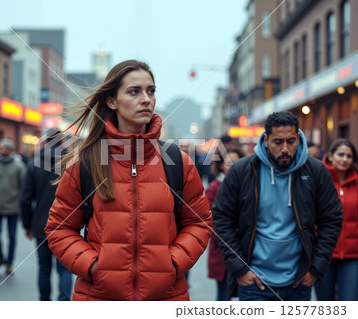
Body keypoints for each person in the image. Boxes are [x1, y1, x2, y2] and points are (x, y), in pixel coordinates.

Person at [45, 60, 212, 301]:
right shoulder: (86, 163)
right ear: (112, 101)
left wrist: (172, 264)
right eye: (134, 91)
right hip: (99, 299)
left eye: (151, 91)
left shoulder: (176, 161)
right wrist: (94, 266)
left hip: (165, 298)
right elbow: (59, 228)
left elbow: (200, 222)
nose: (146, 99)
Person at [212, 112, 343, 301]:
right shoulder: (242, 170)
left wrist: (315, 268)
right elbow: (221, 217)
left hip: (298, 282)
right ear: (266, 140)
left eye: (291, 141)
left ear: (298, 138)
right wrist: (239, 268)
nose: (285, 149)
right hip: (254, 283)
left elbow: (332, 219)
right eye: (278, 142)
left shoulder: (315, 170)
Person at [20, 129, 72, 301]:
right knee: (64, 268)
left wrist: (27, 224)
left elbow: (26, 199)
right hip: (67, 224)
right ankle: (63, 302)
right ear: (62, 141)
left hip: (41, 224)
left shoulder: (34, 163)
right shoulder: (71, 162)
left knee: (44, 268)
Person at [314, 138, 358, 301]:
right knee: (326, 305)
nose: (345, 160)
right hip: (323, 255)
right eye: (341, 155)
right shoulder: (318, 178)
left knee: (350, 303)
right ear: (331, 156)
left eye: (349, 156)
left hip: (353, 256)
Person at [205, 146, 244, 301]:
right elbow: (212, 224)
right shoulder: (214, 189)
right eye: (229, 162)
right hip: (224, 254)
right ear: (221, 165)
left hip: (246, 252)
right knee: (224, 298)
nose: (233, 166)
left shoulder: (248, 185)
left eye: (237, 162)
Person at [0, 138, 26, 275]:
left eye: (3, 148)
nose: (1, 151)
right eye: (0, 148)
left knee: (12, 236)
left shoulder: (19, 167)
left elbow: (24, 188)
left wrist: (22, 206)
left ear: (10, 150)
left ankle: (9, 263)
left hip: (13, 208)